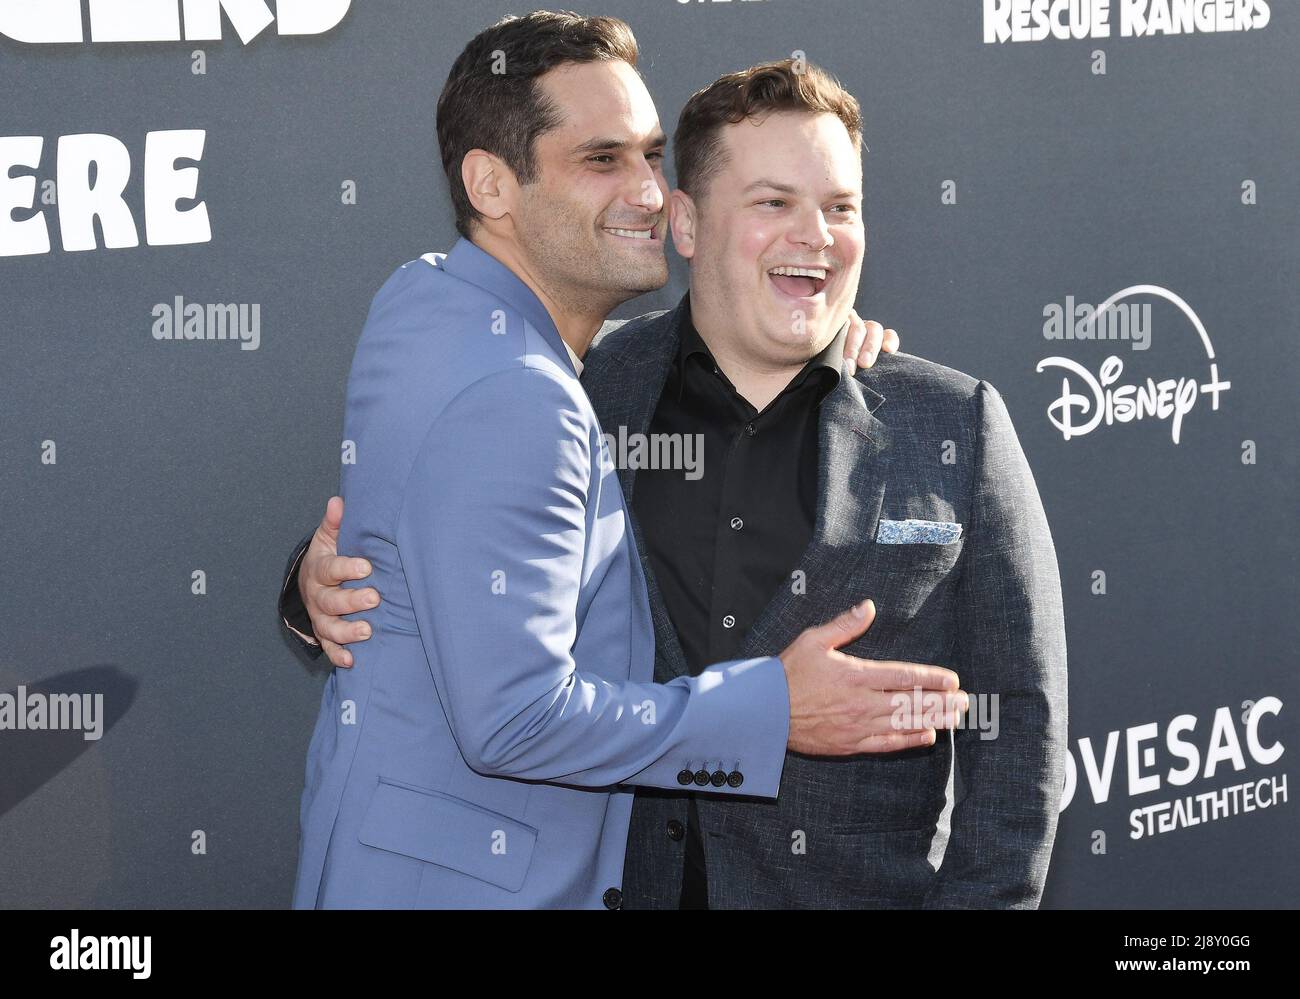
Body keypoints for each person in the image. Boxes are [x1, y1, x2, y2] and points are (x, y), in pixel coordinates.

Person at [292, 50, 1068, 910]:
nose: (814, 236)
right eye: (774, 203)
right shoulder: (587, 388)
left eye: (840, 208)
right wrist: (313, 587)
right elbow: (453, 534)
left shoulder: (950, 422)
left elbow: (1021, 733)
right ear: (688, 226)